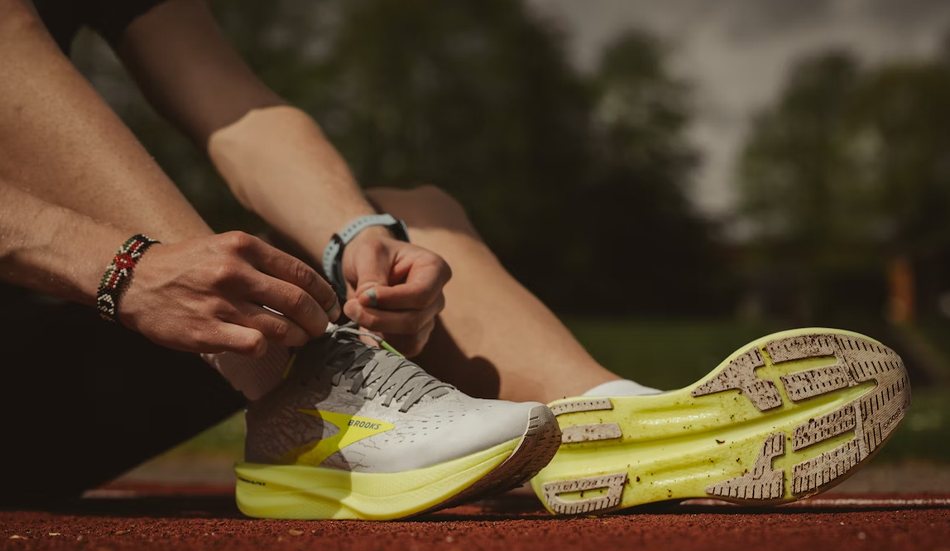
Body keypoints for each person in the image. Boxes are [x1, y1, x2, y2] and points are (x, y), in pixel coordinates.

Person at [0, 0, 910, 519]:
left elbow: (239, 112)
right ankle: (317, 404)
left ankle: (590, 416)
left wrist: (359, 235)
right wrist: (117, 268)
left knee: (419, 215)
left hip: (87, 355)